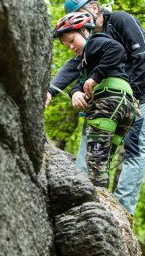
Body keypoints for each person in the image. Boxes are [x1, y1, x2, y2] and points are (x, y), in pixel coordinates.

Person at [47, 0, 145, 215]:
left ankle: (124, 211)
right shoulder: (90, 40)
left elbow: (141, 55)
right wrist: (53, 91)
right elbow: (77, 66)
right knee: (99, 133)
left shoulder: (121, 21)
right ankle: (87, 193)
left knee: (135, 146)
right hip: (121, 93)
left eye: (83, 14)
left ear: (94, 8)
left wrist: (130, 97)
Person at [52, 12, 136, 188]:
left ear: (84, 30)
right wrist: (74, 93)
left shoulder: (95, 42)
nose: (71, 47)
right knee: (103, 160)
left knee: (95, 167)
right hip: (126, 107)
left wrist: (95, 77)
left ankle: (96, 210)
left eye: (72, 40)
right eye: (67, 46)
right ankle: (106, 206)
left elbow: (117, 50)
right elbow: (81, 81)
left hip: (107, 103)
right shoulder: (87, 61)